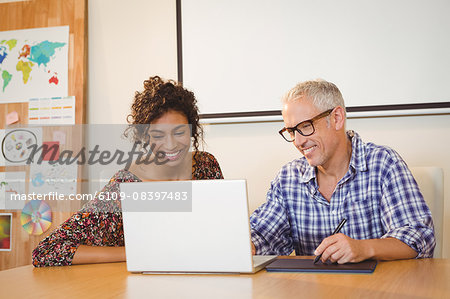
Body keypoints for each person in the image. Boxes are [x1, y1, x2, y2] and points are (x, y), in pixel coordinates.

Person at [32, 76, 223, 267]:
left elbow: (222, 226)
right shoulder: (126, 185)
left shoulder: (206, 165)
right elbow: (47, 251)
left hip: (205, 271)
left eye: (179, 132)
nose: (171, 145)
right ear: (145, 137)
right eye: (158, 135)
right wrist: (138, 251)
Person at [250, 79, 435, 263]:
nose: (298, 142)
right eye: (291, 131)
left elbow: (420, 237)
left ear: (337, 118)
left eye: (305, 126)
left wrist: (363, 248)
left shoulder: (383, 163)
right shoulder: (288, 178)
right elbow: (263, 236)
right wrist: (246, 244)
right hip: (313, 291)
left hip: (377, 288)